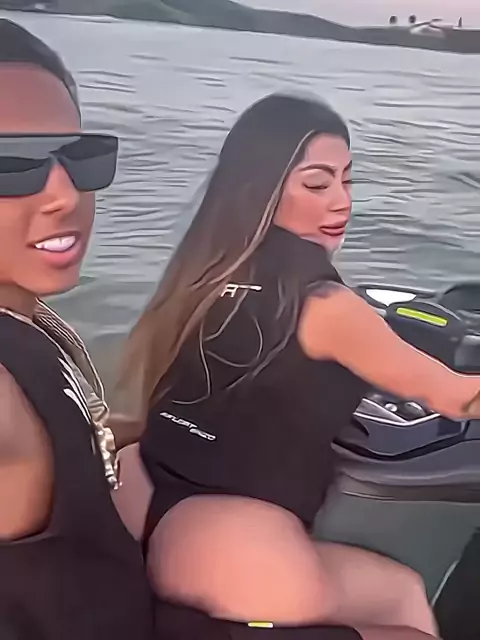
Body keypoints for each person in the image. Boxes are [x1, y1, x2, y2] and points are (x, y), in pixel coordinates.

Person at [114, 93, 480, 640]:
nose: (341, 203)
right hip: (232, 549)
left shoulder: (206, 274)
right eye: (316, 184)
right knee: (404, 604)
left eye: (347, 181)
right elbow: (457, 397)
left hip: (138, 493)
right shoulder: (327, 306)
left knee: (395, 593)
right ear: (262, 189)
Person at [0, 19, 152, 640]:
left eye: (78, 156)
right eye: (12, 163)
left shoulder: (30, 317)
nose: (65, 194)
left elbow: (85, 430)